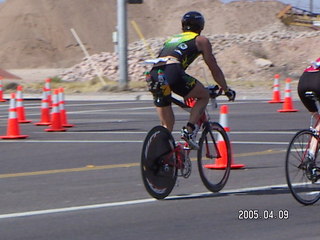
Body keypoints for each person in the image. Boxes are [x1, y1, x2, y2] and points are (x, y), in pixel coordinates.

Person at [145, 11, 235, 150]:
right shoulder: (201, 40)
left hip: (154, 73)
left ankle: (163, 159)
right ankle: (189, 131)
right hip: (172, 71)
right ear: (201, 27)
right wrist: (226, 89)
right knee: (203, 95)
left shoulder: (172, 39)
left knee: (167, 125)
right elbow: (213, 67)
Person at [297, 57, 320, 162]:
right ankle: (311, 155)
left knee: (318, 119)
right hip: (317, 82)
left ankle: (311, 156)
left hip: (303, 82)